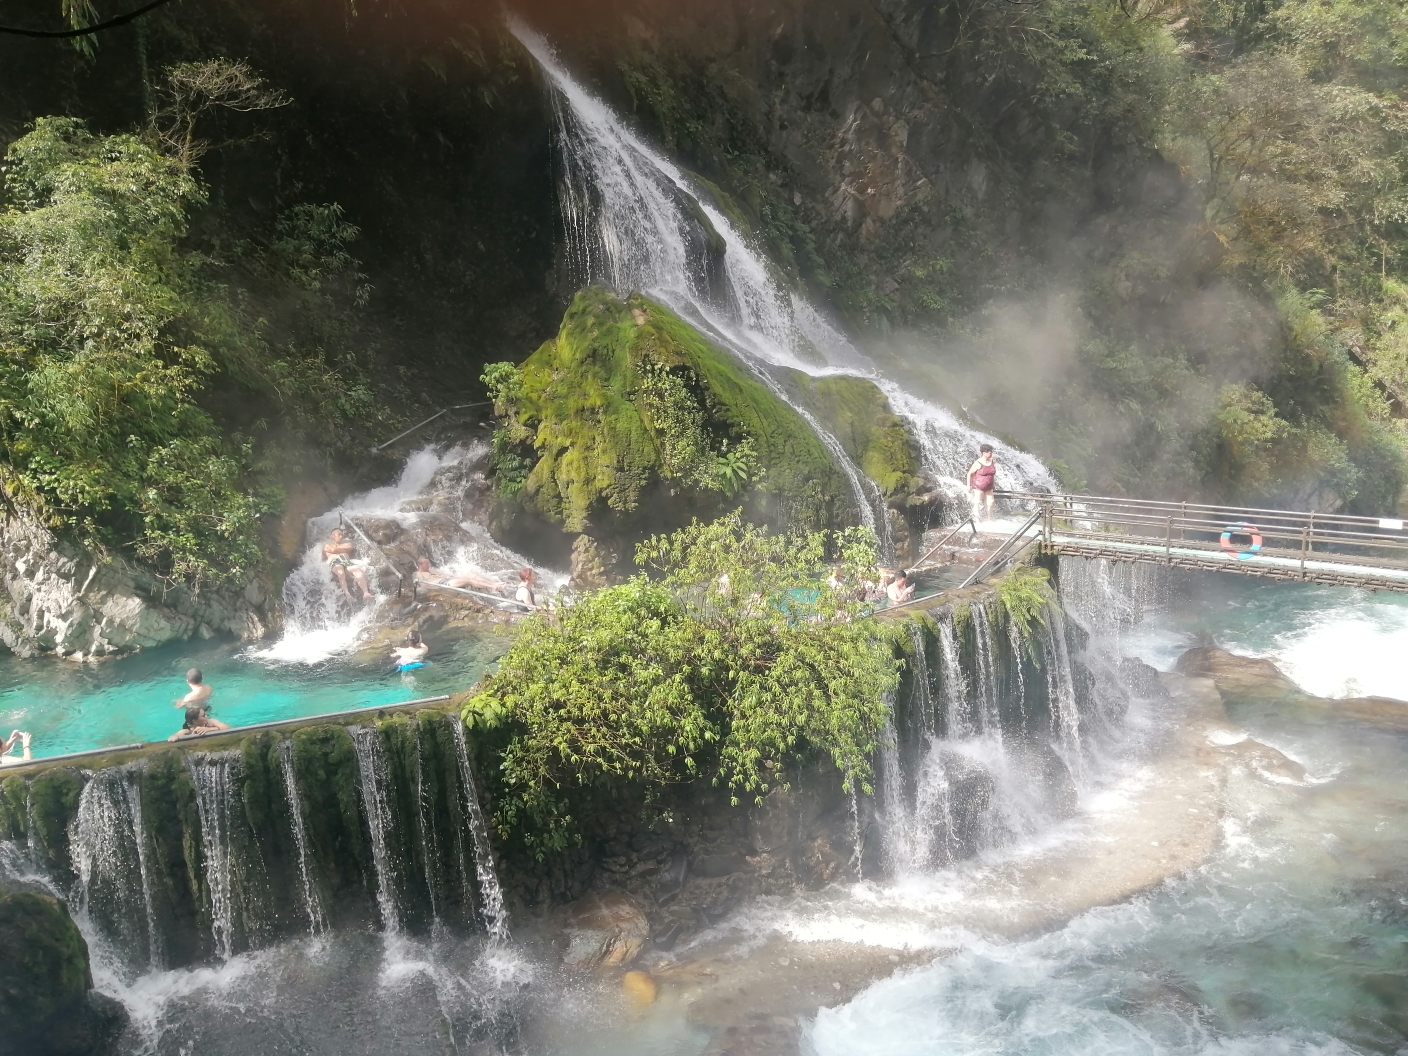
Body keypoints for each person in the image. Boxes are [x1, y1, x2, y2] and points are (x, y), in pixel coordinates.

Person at [324, 526, 373, 602]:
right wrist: (340, 549)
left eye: (342, 535)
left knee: (357, 570)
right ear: (332, 536)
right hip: (335, 561)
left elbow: (348, 547)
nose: (341, 536)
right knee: (340, 572)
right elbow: (332, 549)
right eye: (339, 534)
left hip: (347, 561)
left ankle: (366, 592)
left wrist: (336, 549)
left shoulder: (347, 544)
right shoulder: (327, 545)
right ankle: (348, 595)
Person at [414, 557, 504, 593]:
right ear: (420, 565)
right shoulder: (418, 574)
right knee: (469, 581)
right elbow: (423, 585)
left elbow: (444, 574)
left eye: (429, 563)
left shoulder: (431, 570)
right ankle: (493, 587)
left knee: (472, 574)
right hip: (443, 583)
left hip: (449, 580)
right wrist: (438, 586)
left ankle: (494, 583)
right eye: (427, 564)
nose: (429, 565)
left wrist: (455, 576)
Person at [967, 444, 998, 524]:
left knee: (990, 503)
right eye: (988, 451)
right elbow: (969, 473)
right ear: (983, 453)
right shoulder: (978, 463)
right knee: (977, 503)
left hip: (989, 487)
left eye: (991, 451)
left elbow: (992, 474)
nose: (990, 453)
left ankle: (989, 519)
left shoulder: (992, 461)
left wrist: (993, 484)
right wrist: (968, 485)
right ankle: (977, 520)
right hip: (978, 487)